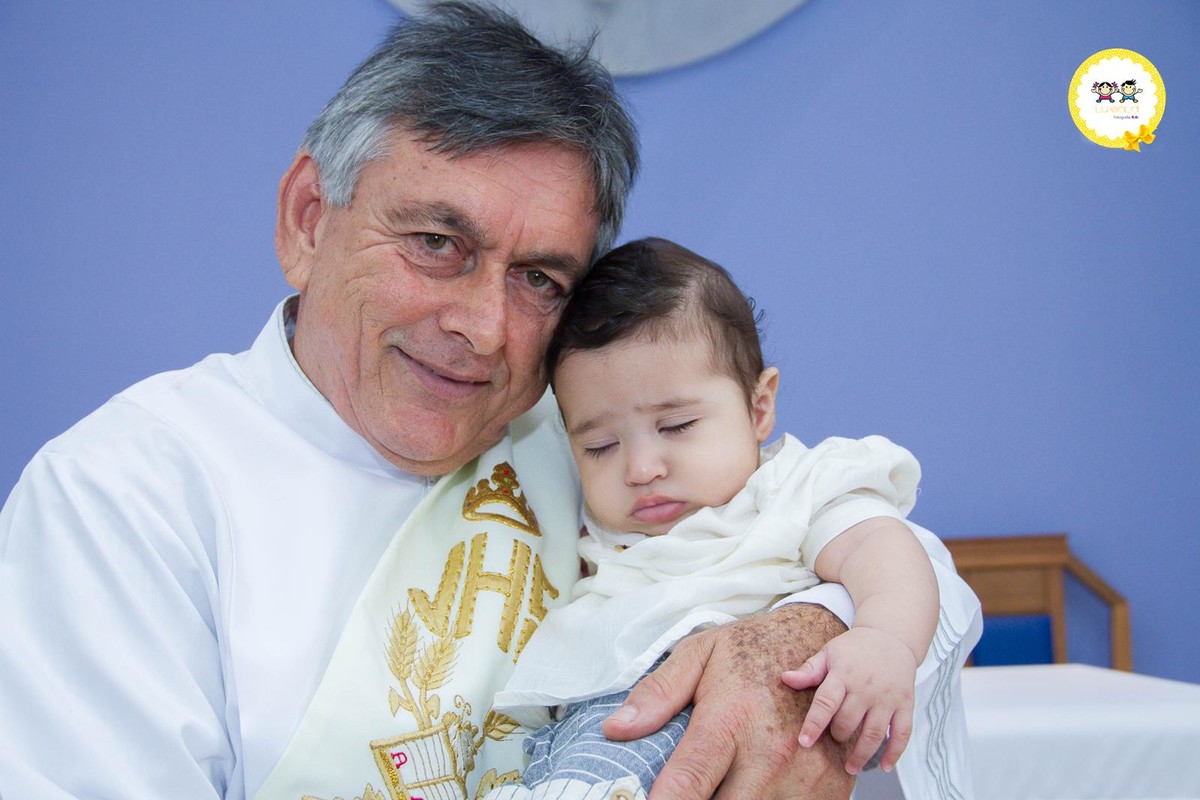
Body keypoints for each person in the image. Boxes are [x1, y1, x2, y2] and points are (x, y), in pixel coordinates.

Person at [0, 3, 980, 800]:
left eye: (541, 279)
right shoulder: (125, 491)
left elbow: (904, 553)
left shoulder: (592, 436)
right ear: (308, 218)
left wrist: (801, 631)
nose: (485, 326)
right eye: (438, 242)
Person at [482, 238, 963, 800]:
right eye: (601, 446)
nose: (641, 468)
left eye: (678, 426)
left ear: (759, 408)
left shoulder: (792, 489)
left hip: (717, 718)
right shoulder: (593, 524)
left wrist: (885, 641)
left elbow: (885, 551)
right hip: (588, 725)